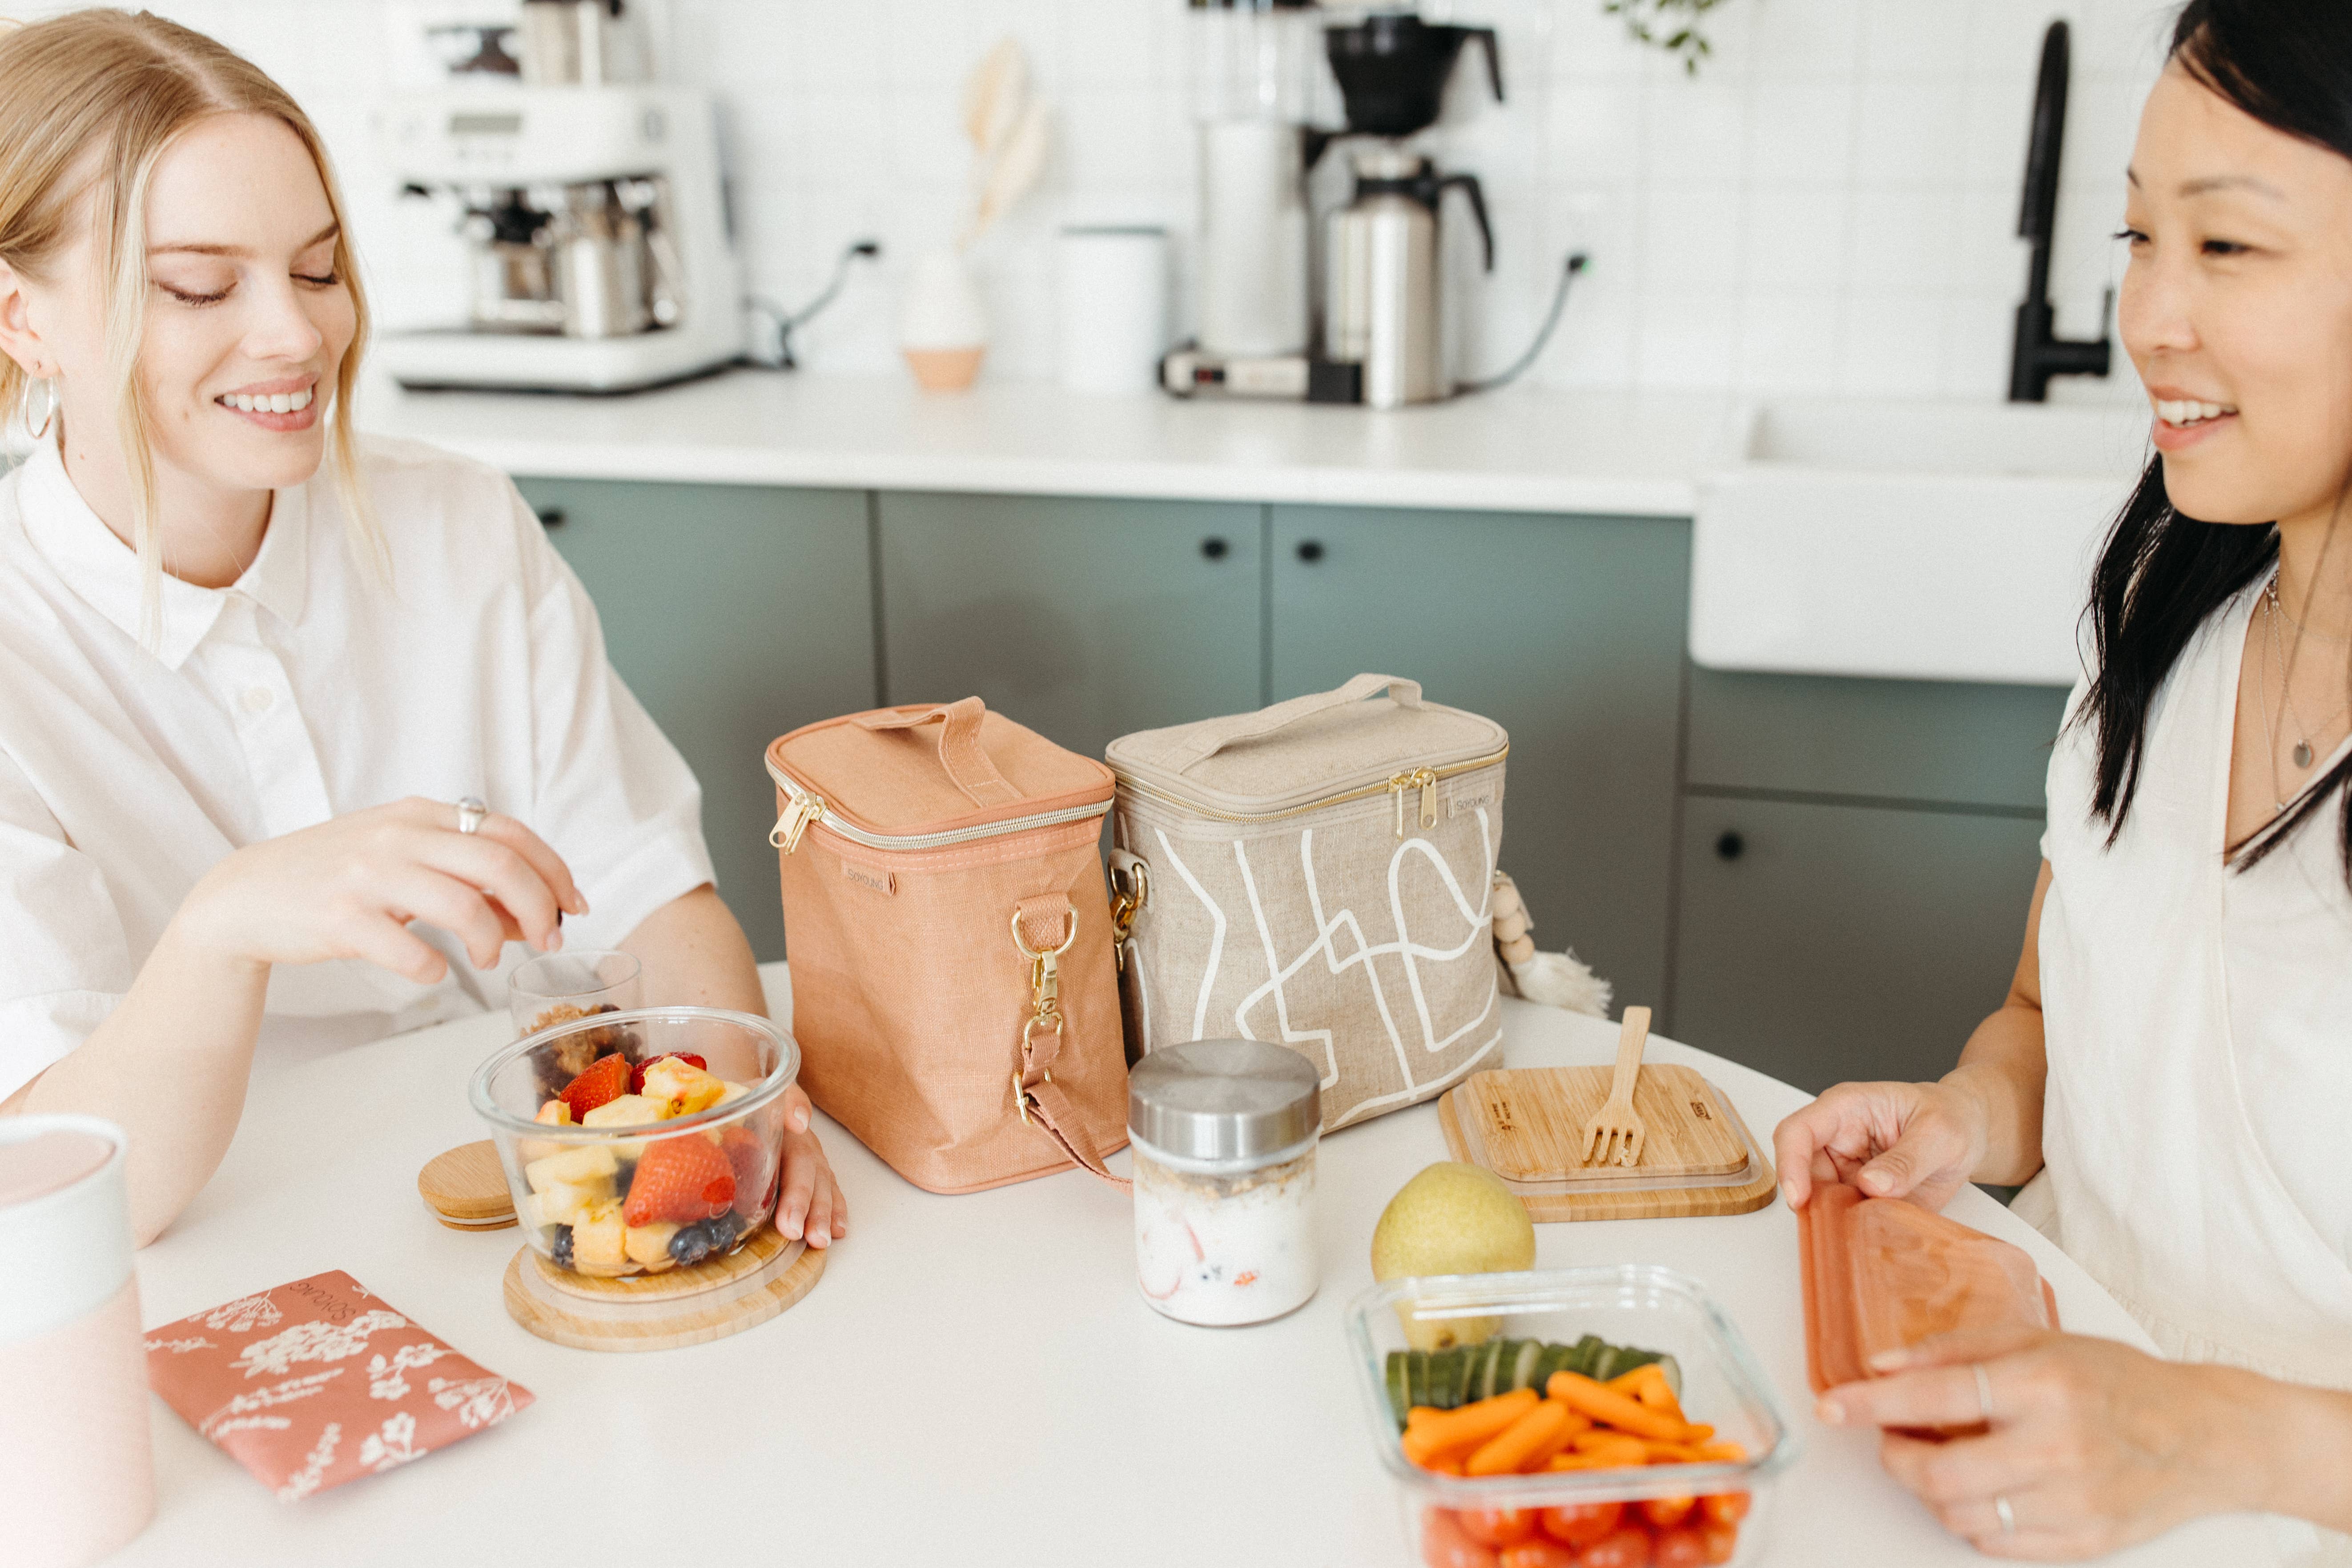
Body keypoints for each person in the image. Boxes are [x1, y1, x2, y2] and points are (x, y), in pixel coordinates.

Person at [0, 10, 844, 1251]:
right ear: (21, 320)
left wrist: (724, 1123)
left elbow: (654, 902)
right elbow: (68, 1188)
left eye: (319, 267)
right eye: (196, 285)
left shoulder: (452, 521)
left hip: (523, 1188)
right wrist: (224, 923)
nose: (297, 334)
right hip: (226, 1241)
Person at [1773, 2, 2352, 1560]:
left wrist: (2210, 1435)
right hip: (2026, 1479)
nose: (2147, 317)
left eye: (2225, 249)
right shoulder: (2163, 645)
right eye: (2135, 235)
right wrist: (1965, 1114)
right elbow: (2046, 1025)